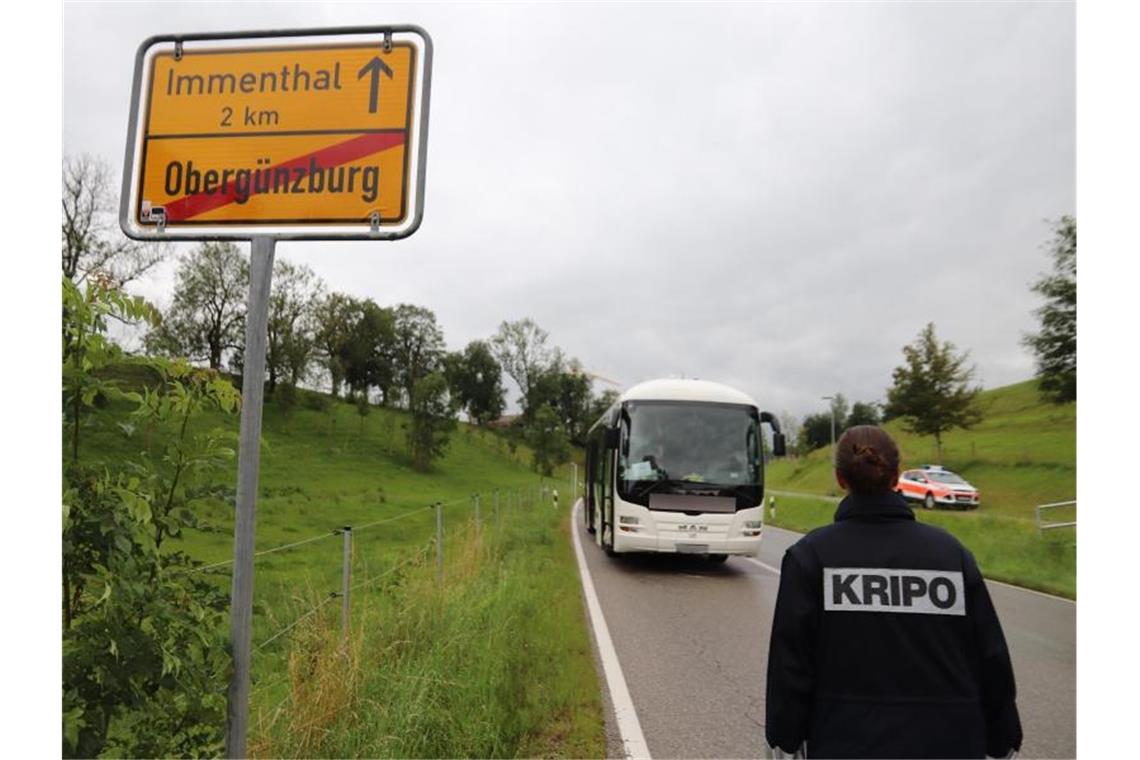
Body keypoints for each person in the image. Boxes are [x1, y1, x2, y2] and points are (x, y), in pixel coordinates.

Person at [764, 426, 1022, 759]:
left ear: (841, 479)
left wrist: (785, 740)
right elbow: (991, 659)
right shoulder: (951, 555)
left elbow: (790, 668)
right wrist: (1003, 739)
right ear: (897, 476)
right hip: (951, 742)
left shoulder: (811, 557)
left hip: (846, 742)